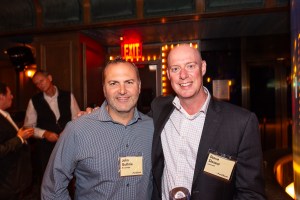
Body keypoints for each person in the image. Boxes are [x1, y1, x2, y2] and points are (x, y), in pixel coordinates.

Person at [150, 44, 266, 199]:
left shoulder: (240, 123)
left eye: (190, 66)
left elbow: (251, 194)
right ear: (168, 74)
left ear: (203, 67)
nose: (183, 75)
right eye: (175, 69)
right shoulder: (159, 109)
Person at [41, 58, 154, 199]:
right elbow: (52, 188)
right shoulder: (78, 129)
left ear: (139, 86)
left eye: (129, 82)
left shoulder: (153, 128)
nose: (122, 90)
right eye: (113, 83)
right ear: (104, 89)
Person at [24, 70, 81, 184]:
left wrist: (66, 131)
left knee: (69, 179)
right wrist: (44, 134)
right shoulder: (34, 101)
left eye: (42, 81)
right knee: (49, 180)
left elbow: (77, 118)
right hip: (46, 149)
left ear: (49, 78)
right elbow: (27, 127)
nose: (40, 85)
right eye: (37, 83)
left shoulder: (68, 95)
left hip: (67, 145)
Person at [0, 82, 34, 200]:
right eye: (10, 93)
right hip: (6, 183)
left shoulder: (5, 114)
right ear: (1, 96)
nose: (12, 96)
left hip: (17, 181)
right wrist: (19, 138)